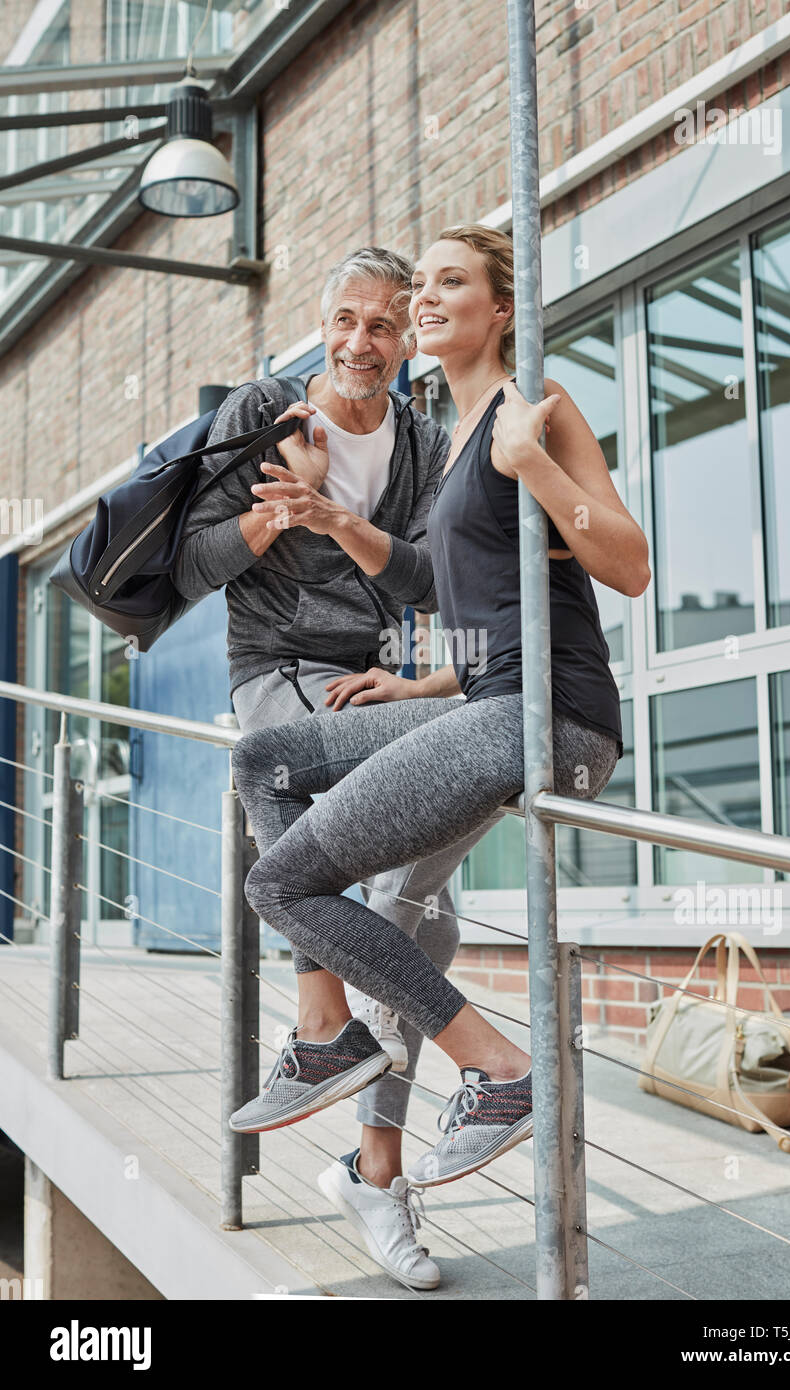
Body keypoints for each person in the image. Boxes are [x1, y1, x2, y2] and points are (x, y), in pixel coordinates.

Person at [227, 223, 650, 1230]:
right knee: (268, 759)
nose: (423, 296)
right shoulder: (457, 429)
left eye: (448, 282)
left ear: (499, 310)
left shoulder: (528, 412)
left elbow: (628, 564)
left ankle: (497, 1071)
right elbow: (476, 595)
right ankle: (327, 1031)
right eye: (419, 281)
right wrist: (411, 676)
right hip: (485, 698)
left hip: (553, 718)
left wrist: (533, 466)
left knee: (283, 881)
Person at [173, 246, 505, 1291]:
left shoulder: (420, 441)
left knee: (419, 912)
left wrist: (337, 520)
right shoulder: (261, 413)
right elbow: (189, 562)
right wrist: (272, 517)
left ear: (410, 339)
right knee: (381, 904)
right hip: (276, 670)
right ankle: (348, 1084)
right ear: (319, 324)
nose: (360, 343)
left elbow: (422, 582)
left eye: (383, 326)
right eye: (345, 322)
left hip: (368, 680)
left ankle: (361, 1131)